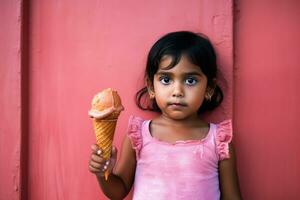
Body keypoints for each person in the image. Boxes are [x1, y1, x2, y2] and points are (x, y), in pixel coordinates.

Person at [88, 31, 242, 200]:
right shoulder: (138, 136)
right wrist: (103, 173)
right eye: (166, 80)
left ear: (209, 89)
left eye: (190, 80)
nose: (177, 92)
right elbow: (118, 192)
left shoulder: (218, 141)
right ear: (151, 87)